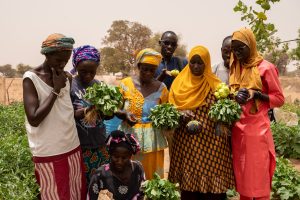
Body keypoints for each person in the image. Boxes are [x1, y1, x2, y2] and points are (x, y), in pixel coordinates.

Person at [23, 33, 86, 199]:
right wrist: (56, 89)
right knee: (52, 194)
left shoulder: (67, 78)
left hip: (72, 146)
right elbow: (34, 119)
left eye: (66, 60)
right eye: (58, 60)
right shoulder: (31, 78)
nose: (62, 64)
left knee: (74, 193)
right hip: (48, 151)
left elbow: (65, 113)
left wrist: (89, 111)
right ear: (47, 54)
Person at [168, 45, 235, 200]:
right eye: (193, 62)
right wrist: (180, 113)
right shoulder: (179, 85)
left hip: (213, 146)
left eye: (200, 63)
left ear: (206, 63)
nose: (196, 66)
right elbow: (170, 110)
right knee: (189, 191)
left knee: (213, 193)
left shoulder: (216, 85)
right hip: (187, 145)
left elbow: (227, 112)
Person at [230, 27, 284, 200]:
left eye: (241, 48)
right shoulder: (236, 68)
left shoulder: (266, 68)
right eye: (235, 49)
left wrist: (257, 94)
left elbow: (279, 99)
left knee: (259, 177)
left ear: (251, 45)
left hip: (258, 131)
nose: (237, 53)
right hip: (239, 131)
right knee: (243, 176)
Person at [118, 48, 169, 179]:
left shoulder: (162, 88)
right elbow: (115, 109)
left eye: (152, 70)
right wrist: (124, 114)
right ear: (138, 66)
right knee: (129, 177)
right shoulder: (125, 84)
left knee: (152, 178)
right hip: (129, 139)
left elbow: (167, 111)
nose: (148, 73)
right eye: (144, 69)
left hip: (153, 140)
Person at [70, 45, 110, 186]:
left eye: (92, 72)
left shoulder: (98, 85)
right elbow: (68, 115)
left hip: (99, 143)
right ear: (75, 67)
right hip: (80, 146)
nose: (88, 75)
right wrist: (87, 110)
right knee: (80, 184)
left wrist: (108, 109)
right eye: (83, 71)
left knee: (99, 184)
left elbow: (105, 116)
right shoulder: (70, 85)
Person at [88, 130, 145, 200]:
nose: (120, 162)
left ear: (130, 156)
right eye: (116, 157)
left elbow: (143, 194)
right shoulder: (99, 175)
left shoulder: (138, 168)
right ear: (110, 154)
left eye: (124, 158)